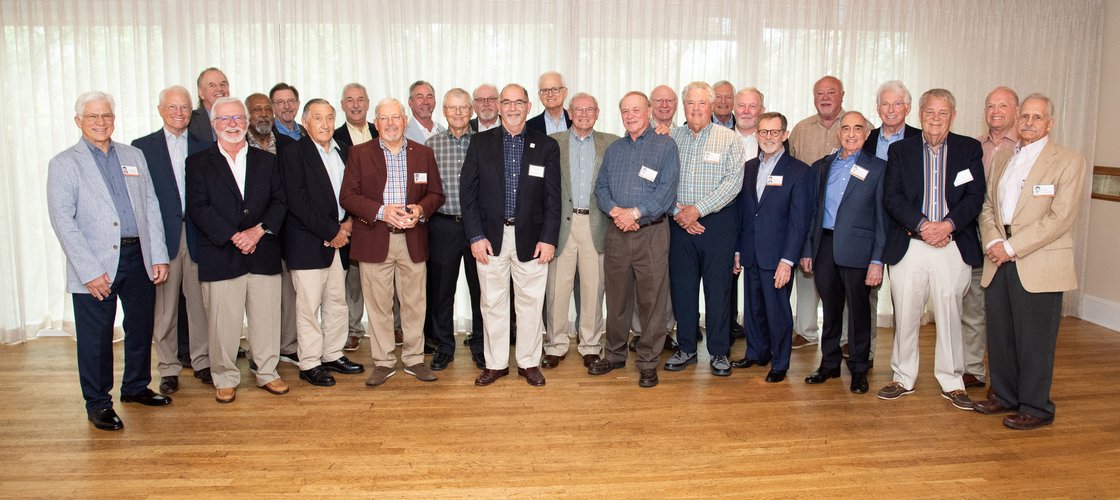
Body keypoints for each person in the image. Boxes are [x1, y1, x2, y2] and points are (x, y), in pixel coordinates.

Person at [48, 91, 172, 431]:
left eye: (106, 116)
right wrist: (89, 272)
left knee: (140, 326)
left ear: (114, 119)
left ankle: (135, 386)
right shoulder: (64, 164)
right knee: (97, 336)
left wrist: (158, 254)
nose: (101, 122)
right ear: (79, 121)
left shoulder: (133, 155)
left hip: (138, 257)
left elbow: (150, 207)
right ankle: (99, 403)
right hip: (95, 263)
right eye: (92, 117)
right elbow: (63, 223)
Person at [974, 93, 1086, 430]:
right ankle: (1004, 396)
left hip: (1036, 261)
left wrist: (1012, 247)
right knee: (1001, 334)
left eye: (1037, 118)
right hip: (999, 257)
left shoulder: (1068, 160)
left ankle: (1036, 407)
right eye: (1024, 116)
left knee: (1034, 339)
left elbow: (1060, 217)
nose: (1029, 123)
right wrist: (995, 241)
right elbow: (988, 206)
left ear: (1050, 123)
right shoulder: (1003, 158)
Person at [878, 89, 985, 411]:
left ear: (952, 116)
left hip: (952, 245)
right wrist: (925, 225)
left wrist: (948, 225)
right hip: (911, 244)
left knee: (950, 314)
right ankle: (903, 376)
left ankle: (952, 381)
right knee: (907, 313)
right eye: (929, 112)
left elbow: (975, 197)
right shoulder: (901, 150)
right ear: (919, 114)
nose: (935, 119)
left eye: (942, 113)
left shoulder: (969, 149)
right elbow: (892, 197)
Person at [186, 96, 289, 403]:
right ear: (214, 125)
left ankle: (267, 372)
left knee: (267, 319)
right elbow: (198, 208)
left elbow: (280, 201)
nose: (232, 125)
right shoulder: (198, 163)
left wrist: (257, 232)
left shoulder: (268, 161)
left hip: (263, 250)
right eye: (224, 120)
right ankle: (225, 377)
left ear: (245, 123)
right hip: (221, 254)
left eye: (237, 119)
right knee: (223, 323)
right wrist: (234, 236)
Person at [460, 83, 561, 387]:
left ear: (529, 106)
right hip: (490, 238)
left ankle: (529, 362)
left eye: (520, 102)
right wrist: (476, 236)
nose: (514, 108)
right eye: (508, 102)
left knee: (530, 304)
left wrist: (549, 238)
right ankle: (495, 364)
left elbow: (553, 198)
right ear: (499, 107)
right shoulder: (479, 143)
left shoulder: (546, 146)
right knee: (492, 303)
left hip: (532, 238)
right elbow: (469, 194)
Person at [340, 98, 445, 387]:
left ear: (404, 120)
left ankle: (413, 359)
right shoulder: (359, 153)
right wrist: (382, 211)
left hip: (412, 238)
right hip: (375, 237)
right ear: (376, 123)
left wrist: (421, 210)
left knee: (414, 304)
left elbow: (436, 194)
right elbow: (347, 197)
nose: (390, 124)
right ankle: (384, 361)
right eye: (384, 119)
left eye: (395, 118)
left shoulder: (423, 153)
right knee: (378, 305)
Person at [589, 91, 679, 387]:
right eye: (625, 111)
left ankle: (648, 362)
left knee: (651, 299)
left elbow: (665, 192)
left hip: (651, 233)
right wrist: (616, 211)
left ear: (649, 110)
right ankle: (614, 355)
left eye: (636, 109)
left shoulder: (666, 146)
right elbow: (601, 187)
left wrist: (636, 213)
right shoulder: (615, 149)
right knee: (616, 297)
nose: (630, 115)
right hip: (617, 233)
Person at [279, 98, 366, 387]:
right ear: (305, 123)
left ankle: (332, 353)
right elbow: (298, 202)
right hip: (308, 243)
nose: (326, 124)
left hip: (340, 242)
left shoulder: (344, 152)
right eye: (318, 118)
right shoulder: (292, 154)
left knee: (337, 303)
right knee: (308, 307)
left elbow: (353, 193)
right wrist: (332, 231)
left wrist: (350, 223)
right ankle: (310, 362)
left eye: (330, 117)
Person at [800, 111, 886, 394]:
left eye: (857, 128)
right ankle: (829, 364)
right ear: (839, 133)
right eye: (845, 128)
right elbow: (812, 213)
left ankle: (860, 369)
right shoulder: (821, 167)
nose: (850, 134)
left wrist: (877, 260)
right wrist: (808, 249)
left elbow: (882, 219)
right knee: (831, 309)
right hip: (824, 245)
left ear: (866, 133)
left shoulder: (878, 168)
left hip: (859, 250)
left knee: (859, 311)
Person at [131, 85, 209, 394]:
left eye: (185, 108)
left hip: (198, 237)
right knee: (164, 310)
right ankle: (168, 367)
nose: (179, 113)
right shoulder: (141, 148)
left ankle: (202, 362)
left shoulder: (205, 146)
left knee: (200, 305)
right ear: (161, 109)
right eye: (173, 107)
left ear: (192, 112)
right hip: (162, 238)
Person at [664, 81, 745, 376]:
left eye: (701, 103)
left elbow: (733, 183)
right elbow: (664, 182)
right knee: (682, 289)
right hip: (679, 224)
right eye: (690, 103)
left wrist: (697, 210)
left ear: (711, 106)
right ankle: (686, 348)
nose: (695, 108)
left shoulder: (729, 139)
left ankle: (720, 352)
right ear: (683, 107)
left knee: (718, 291)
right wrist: (679, 213)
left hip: (717, 225)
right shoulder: (672, 138)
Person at [732, 111, 814, 383]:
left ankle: (780, 363)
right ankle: (757, 352)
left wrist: (787, 261)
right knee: (753, 309)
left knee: (777, 312)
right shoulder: (748, 169)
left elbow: (799, 221)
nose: (768, 137)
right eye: (764, 132)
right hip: (751, 253)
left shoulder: (799, 172)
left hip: (778, 256)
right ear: (757, 135)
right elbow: (743, 214)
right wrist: (737, 250)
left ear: (785, 135)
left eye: (774, 132)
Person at [542, 93, 619, 369]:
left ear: (597, 113)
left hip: (596, 223)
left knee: (593, 288)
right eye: (578, 110)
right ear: (569, 113)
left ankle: (590, 344)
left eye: (589, 110)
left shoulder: (611, 143)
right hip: (561, 224)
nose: (584, 114)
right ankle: (555, 344)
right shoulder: (553, 143)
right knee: (556, 289)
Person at [961, 86, 1023, 388]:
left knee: (1006, 313)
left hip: (1013, 243)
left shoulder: (1025, 148)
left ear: (1016, 110)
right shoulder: (972, 147)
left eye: (1002, 106)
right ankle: (973, 368)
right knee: (973, 306)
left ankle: (1012, 378)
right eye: (990, 106)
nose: (995, 111)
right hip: (973, 237)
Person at [424, 88, 486, 370]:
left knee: (481, 290)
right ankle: (444, 347)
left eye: (463, 108)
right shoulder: (431, 145)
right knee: (442, 291)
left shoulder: (485, 143)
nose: (458, 113)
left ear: (471, 111)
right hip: (443, 227)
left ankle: (480, 346)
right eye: (453, 108)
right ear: (444, 111)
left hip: (478, 229)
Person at [787, 75, 846, 350]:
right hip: (807, 212)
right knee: (806, 269)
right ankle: (806, 330)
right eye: (820, 93)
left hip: (843, 215)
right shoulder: (800, 129)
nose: (825, 97)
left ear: (842, 95)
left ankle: (846, 338)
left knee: (844, 278)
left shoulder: (856, 126)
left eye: (831, 92)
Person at [333, 83, 379, 351]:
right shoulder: (335, 136)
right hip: (352, 219)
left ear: (368, 102)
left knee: (388, 275)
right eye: (349, 100)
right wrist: (349, 218)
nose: (355, 104)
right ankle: (353, 328)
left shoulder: (381, 130)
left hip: (383, 217)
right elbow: (341, 185)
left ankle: (395, 327)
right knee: (353, 279)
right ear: (342, 105)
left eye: (360, 99)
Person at [188, 67, 228, 147]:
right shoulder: (190, 121)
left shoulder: (239, 119)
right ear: (201, 93)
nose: (219, 89)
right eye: (212, 85)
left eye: (222, 84)